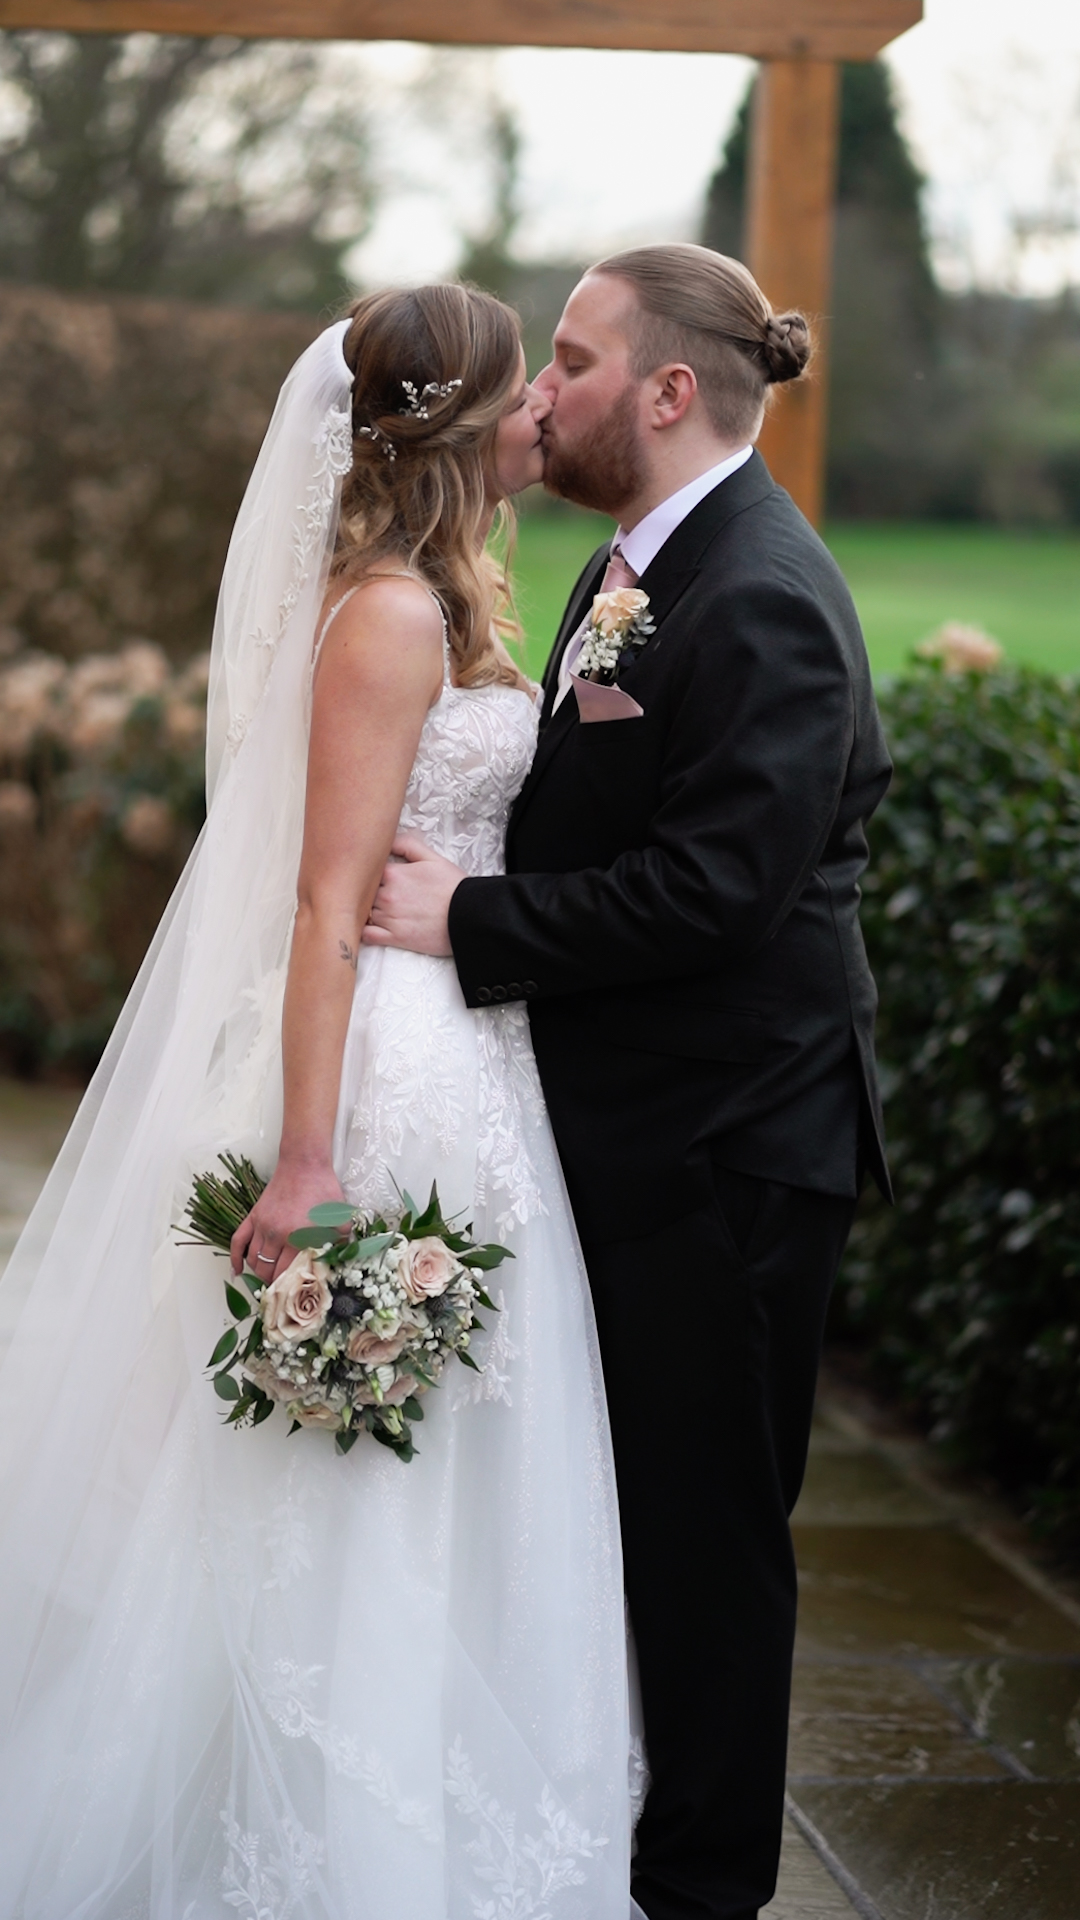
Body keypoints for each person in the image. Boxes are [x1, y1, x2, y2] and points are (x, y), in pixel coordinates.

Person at [0, 287, 636, 1918]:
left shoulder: (452, 598)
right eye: (521, 393)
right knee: (351, 1476)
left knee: (461, 1452)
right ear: (452, 424)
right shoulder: (390, 619)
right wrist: (305, 1159)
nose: (541, 418)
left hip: (474, 1052)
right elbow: (321, 901)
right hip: (390, 1074)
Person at [365, 244, 894, 1920]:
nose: (544, 394)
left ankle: (704, 1892)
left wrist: (471, 916)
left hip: (733, 1154)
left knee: (707, 1550)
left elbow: (722, 890)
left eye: (575, 364)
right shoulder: (643, 558)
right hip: (648, 1131)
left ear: (669, 392)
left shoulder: (763, 595)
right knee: (635, 1529)